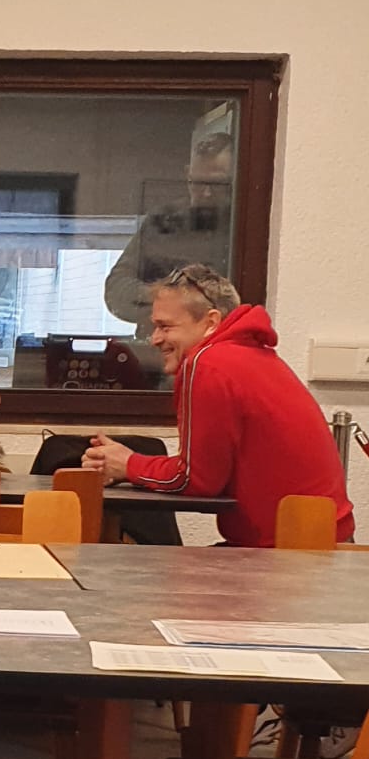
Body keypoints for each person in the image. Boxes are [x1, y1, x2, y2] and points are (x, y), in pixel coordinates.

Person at [83, 265, 352, 548]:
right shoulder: (250, 355)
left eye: (165, 327)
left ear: (211, 321)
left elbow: (193, 480)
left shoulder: (206, 364)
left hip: (293, 554)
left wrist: (129, 464)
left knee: (141, 570)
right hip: (323, 541)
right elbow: (209, 474)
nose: (155, 339)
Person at [104, 132, 235, 338]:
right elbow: (117, 289)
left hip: (219, 343)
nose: (206, 193)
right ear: (187, 173)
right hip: (161, 346)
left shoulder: (243, 229)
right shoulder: (162, 221)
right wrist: (164, 295)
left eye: (217, 184)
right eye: (198, 182)